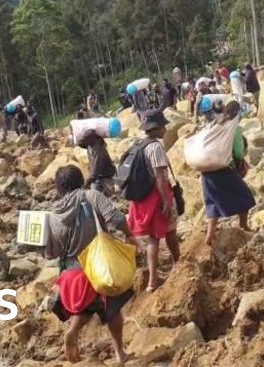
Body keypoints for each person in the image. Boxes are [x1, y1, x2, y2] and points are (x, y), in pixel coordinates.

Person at [45, 166, 136, 364]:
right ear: (80, 180)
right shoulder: (92, 196)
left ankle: (73, 331)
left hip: (71, 274)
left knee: (86, 308)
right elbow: (115, 218)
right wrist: (130, 235)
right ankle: (120, 353)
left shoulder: (53, 214)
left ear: (59, 188)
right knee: (112, 309)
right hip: (99, 265)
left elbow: (50, 252)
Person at [127, 110, 181, 291]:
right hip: (158, 197)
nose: (166, 129)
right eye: (163, 126)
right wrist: (166, 200)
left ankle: (152, 281)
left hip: (144, 200)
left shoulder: (139, 144)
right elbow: (159, 175)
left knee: (153, 238)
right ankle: (178, 264)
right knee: (170, 232)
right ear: (156, 128)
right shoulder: (155, 147)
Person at [201, 101, 255, 246]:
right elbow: (238, 153)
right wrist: (243, 154)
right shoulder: (233, 129)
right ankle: (243, 225)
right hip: (224, 169)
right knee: (245, 195)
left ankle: (210, 235)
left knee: (212, 201)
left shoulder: (211, 125)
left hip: (206, 170)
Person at [78, 129, 117, 194]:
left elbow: (97, 165)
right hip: (97, 177)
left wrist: (89, 180)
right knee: (95, 196)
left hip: (106, 175)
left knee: (113, 195)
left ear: (92, 139)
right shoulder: (89, 146)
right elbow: (80, 143)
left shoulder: (98, 148)